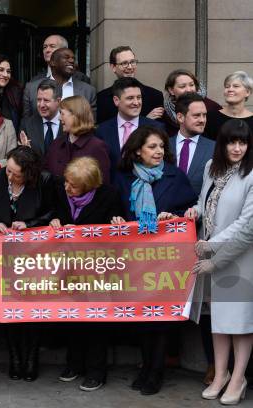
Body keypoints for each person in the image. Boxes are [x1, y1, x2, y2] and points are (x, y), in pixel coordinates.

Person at [112, 126, 196, 395]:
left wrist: (174, 217)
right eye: (152, 147)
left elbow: (189, 210)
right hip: (134, 258)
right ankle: (145, 366)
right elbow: (115, 209)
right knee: (140, 316)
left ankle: (156, 372)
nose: (159, 151)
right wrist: (116, 219)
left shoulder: (175, 175)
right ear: (138, 150)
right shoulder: (123, 177)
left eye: (161, 146)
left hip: (166, 260)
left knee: (160, 318)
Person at [185, 119, 253, 405]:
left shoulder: (251, 175)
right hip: (210, 256)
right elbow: (206, 202)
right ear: (222, 144)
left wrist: (212, 244)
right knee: (218, 320)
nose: (237, 148)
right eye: (231, 142)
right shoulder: (211, 169)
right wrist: (194, 211)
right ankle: (220, 374)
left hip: (240, 258)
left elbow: (247, 224)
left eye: (242, 142)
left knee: (240, 322)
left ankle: (238, 378)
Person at [50, 157, 123, 392]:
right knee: (72, 318)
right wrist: (53, 221)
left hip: (96, 271)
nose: (67, 188)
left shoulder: (108, 196)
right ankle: (74, 364)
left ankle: (96, 372)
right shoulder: (61, 192)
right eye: (66, 182)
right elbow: (51, 214)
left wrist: (116, 223)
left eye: (73, 186)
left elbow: (116, 230)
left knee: (96, 322)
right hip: (68, 268)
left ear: (89, 186)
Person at [0, 146, 55, 381]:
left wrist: (31, 224)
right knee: (9, 307)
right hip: (2, 251)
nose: (10, 176)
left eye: (16, 174)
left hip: (33, 252)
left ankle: (31, 357)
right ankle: (15, 357)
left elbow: (52, 212)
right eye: (9, 170)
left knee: (31, 310)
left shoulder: (45, 181)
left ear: (29, 173)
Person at [96, 77, 165, 181]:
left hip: (147, 191)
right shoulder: (101, 130)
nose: (136, 102)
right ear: (116, 100)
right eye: (130, 98)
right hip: (113, 192)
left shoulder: (156, 128)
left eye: (139, 97)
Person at [44, 96, 110, 184]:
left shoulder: (97, 147)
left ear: (76, 115)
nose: (59, 118)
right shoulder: (56, 144)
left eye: (62, 113)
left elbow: (103, 183)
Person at [23, 35, 90, 118]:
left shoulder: (81, 79)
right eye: (45, 47)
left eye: (52, 46)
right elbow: (27, 119)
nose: (47, 50)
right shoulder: (33, 83)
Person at [95, 46, 164, 123]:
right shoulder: (102, 98)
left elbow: (159, 131)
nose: (130, 67)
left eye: (132, 62)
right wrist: (145, 120)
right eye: (124, 63)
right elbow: (104, 130)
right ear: (113, 67)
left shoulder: (155, 96)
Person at [169, 92, 215, 196]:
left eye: (204, 115)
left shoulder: (214, 148)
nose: (202, 120)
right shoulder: (163, 146)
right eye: (196, 116)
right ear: (180, 117)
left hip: (198, 210)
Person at [161, 69, 221, 137]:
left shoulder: (212, 107)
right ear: (171, 90)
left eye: (191, 85)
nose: (189, 89)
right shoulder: (164, 113)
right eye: (182, 86)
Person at [19, 79, 63, 157]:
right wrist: (25, 152)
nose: (41, 105)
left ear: (58, 101)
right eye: (39, 100)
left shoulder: (69, 124)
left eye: (46, 100)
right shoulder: (27, 125)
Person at [205, 71, 253, 140]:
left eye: (236, 86)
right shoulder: (211, 117)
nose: (230, 89)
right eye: (227, 86)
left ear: (247, 92)